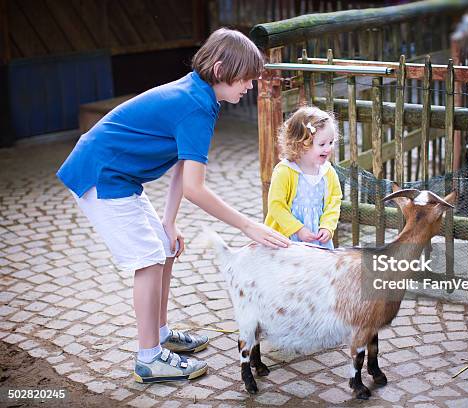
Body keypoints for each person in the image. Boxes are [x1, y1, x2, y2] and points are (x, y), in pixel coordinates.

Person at [56, 28, 290, 383]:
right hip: (100, 174)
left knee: (164, 246)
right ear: (220, 67)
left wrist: (170, 221)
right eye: (245, 79)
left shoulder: (200, 96)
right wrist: (247, 225)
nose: (249, 88)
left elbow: (183, 167)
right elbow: (196, 188)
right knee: (148, 259)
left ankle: (161, 335)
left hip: (118, 177)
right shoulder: (196, 106)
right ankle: (149, 359)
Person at [264, 106, 342, 249]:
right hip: (287, 240)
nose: (328, 148)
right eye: (322, 144)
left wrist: (327, 226)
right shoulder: (285, 171)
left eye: (331, 142)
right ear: (301, 144)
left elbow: (334, 201)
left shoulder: (328, 172)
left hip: (317, 240)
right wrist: (297, 229)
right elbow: (276, 206)